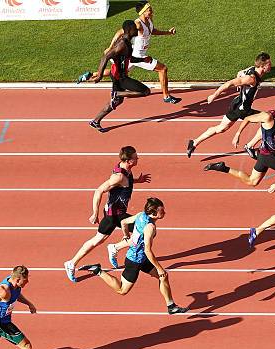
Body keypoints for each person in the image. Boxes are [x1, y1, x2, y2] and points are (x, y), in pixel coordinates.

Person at [79, 198, 188, 315]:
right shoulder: (150, 227)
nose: (165, 212)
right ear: (153, 213)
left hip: (141, 259)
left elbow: (124, 222)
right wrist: (159, 268)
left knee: (163, 276)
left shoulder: (141, 215)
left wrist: (126, 235)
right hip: (134, 261)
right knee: (122, 290)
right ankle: (98, 271)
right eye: (162, 211)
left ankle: (171, 306)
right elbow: (147, 250)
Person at [64, 146, 151, 282]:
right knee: (98, 240)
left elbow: (125, 181)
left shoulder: (125, 170)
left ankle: (114, 248)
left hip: (119, 213)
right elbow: (98, 191)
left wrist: (137, 180)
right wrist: (95, 214)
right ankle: (71, 263)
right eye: (135, 158)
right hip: (113, 215)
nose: (137, 159)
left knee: (105, 239)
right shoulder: (118, 176)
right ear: (128, 161)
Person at [78, 1, 181, 104]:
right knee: (162, 69)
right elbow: (120, 32)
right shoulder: (137, 24)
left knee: (117, 71)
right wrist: (110, 47)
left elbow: (152, 31)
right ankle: (166, 96)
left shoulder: (149, 20)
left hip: (131, 55)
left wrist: (168, 32)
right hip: (138, 56)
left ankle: (90, 75)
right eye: (149, 10)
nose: (152, 11)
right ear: (143, 12)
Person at [186, 52, 272, 158]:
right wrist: (214, 95)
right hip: (242, 109)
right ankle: (250, 146)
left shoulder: (252, 69)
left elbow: (240, 72)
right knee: (269, 119)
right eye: (269, 64)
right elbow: (229, 83)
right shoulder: (251, 78)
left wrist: (240, 87)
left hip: (237, 105)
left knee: (221, 128)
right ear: (262, 66)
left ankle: (194, 142)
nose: (271, 65)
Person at [204, 97, 275, 187]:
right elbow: (247, 119)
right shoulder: (267, 116)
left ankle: (223, 168)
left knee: (252, 181)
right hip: (269, 155)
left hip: (264, 155)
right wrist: (238, 134)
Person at [88, 20, 152, 133]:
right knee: (145, 91)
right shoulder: (122, 44)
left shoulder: (127, 43)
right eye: (134, 28)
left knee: (117, 101)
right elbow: (105, 57)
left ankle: (95, 121)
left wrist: (143, 59)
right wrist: (99, 75)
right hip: (120, 77)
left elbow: (131, 59)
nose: (137, 30)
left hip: (118, 76)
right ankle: (116, 93)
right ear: (129, 30)